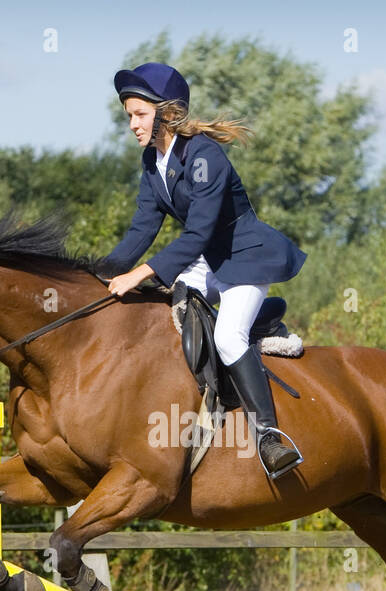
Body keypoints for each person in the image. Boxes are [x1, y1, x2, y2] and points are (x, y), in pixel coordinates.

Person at [101, 62, 307, 479]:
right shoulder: (152, 161)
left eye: (139, 115)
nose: (133, 125)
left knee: (229, 337)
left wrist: (138, 275)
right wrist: (96, 273)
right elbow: (141, 231)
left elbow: (196, 233)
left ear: (166, 112)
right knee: (170, 309)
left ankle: (269, 435)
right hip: (209, 260)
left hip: (244, 257)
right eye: (129, 116)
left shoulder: (204, 156)